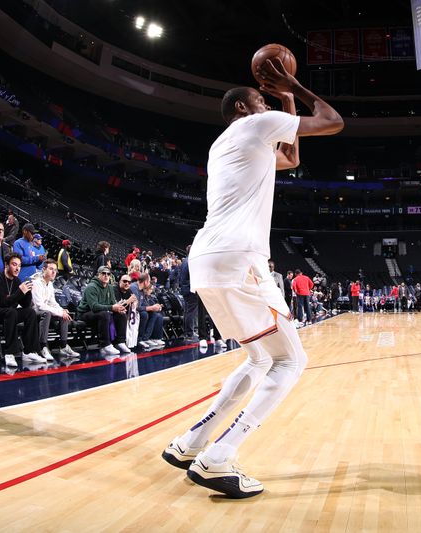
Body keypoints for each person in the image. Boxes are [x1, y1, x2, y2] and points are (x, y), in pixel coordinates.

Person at [162, 58, 343, 498]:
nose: (268, 105)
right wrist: (295, 86)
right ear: (243, 108)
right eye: (261, 99)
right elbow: (332, 121)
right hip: (238, 256)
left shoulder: (225, 144)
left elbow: (291, 159)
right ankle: (219, 457)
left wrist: (284, 98)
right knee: (291, 361)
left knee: (260, 358)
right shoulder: (255, 125)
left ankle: (192, 441)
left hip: (206, 259)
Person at [0, 252, 42, 367]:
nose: (17, 268)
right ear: (6, 265)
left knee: (30, 312)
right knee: (11, 312)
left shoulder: (17, 281)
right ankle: (10, 353)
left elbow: (25, 305)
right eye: (14, 264)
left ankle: (29, 351)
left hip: (7, 312)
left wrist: (28, 292)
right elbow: (1, 303)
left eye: (19, 265)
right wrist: (20, 292)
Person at [31, 259, 80, 359]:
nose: (54, 272)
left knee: (63, 314)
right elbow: (39, 305)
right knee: (47, 313)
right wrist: (59, 312)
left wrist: (61, 310)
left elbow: (52, 302)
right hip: (34, 312)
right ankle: (42, 347)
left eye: (55, 270)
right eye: (51, 269)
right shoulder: (36, 283)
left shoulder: (50, 284)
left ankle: (63, 346)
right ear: (44, 269)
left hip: (46, 311)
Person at [76, 266, 130, 356]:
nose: (106, 275)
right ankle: (105, 345)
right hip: (85, 313)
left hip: (101, 313)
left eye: (108, 274)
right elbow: (94, 307)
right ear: (98, 275)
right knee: (104, 314)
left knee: (121, 314)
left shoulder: (110, 287)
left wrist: (119, 308)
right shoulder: (91, 287)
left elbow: (113, 303)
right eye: (103, 273)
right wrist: (112, 307)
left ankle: (120, 342)